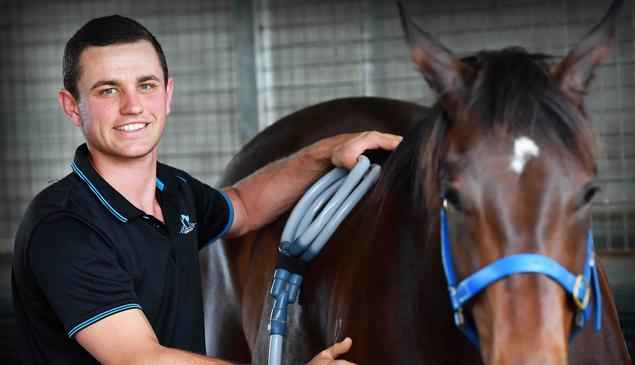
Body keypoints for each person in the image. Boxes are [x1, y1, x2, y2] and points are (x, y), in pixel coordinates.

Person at [11, 15, 401, 365]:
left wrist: (327, 152)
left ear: (167, 95)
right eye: (107, 91)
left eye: (145, 85)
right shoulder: (63, 227)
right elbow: (140, 359)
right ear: (72, 106)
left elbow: (244, 205)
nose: (132, 106)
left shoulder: (175, 191)